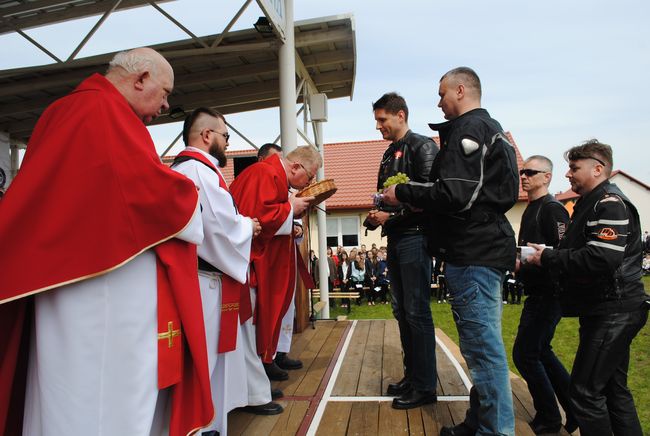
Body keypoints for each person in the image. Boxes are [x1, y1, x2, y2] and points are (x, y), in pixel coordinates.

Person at [0, 48, 213, 436]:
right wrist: (190, 195)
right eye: (164, 92)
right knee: (101, 393)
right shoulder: (106, 112)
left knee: (63, 386)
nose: (165, 105)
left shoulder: (61, 111)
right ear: (140, 78)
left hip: (63, 280)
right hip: (102, 290)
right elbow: (146, 189)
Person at [383, 67, 519, 435]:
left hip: (472, 252)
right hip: (477, 247)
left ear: (461, 90)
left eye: (442, 94)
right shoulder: (492, 130)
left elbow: (455, 193)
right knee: (479, 349)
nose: (439, 102)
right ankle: (479, 423)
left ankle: (494, 430)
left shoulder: (469, 130)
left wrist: (404, 192)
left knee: (483, 353)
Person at [172, 108, 285, 433]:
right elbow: (218, 227)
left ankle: (215, 417)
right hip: (204, 279)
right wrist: (247, 226)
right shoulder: (198, 171)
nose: (227, 144)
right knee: (207, 358)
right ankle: (204, 424)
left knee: (221, 354)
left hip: (206, 275)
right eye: (225, 137)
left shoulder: (192, 169)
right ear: (207, 136)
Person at [527, 139, 649, 436]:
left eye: (573, 167)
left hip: (613, 311)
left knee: (584, 394)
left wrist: (549, 257)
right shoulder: (592, 202)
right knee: (612, 390)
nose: (567, 174)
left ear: (597, 169)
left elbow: (603, 256)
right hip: (609, 308)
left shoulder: (609, 203)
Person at [365, 92, 438, 410]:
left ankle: (425, 386)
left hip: (416, 238)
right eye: (377, 120)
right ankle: (413, 376)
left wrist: (391, 215)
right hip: (396, 238)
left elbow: (431, 196)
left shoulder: (423, 146)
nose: (378, 126)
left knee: (417, 312)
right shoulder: (387, 154)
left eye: (382, 120)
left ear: (401, 115)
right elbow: (385, 196)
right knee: (402, 311)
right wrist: (376, 214)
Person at [229, 145, 320, 375]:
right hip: (255, 263)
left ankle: (266, 363)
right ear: (296, 166)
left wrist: (291, 211)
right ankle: (259, 374)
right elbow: (256, 217)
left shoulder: (274, 175)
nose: (309, 183)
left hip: (268, 259)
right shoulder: (264, 173)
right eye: (309, 177)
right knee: (253, 326)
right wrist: (290, 208)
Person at [512, 155, 575, 434]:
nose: (524, 176)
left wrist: (540, 258)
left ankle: (550, 416)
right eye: (522, 172)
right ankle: (576, 409)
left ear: (547, 177)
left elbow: (563, 253)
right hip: (536, 291)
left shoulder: (552, 209)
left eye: (530, 172)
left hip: (550, 293)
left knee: (525, 354)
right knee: (541, 352)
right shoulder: (531, 207)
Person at [255, 142, 305, 377]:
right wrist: (289, 211)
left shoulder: (285, 187)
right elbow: (262, 216)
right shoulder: (263, 179)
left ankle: (279, 351)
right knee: (269, 306)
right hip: (267, 258)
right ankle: (268, 357)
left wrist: (297, 228)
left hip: (285, 254)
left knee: (286, 306)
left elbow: (294, 220)